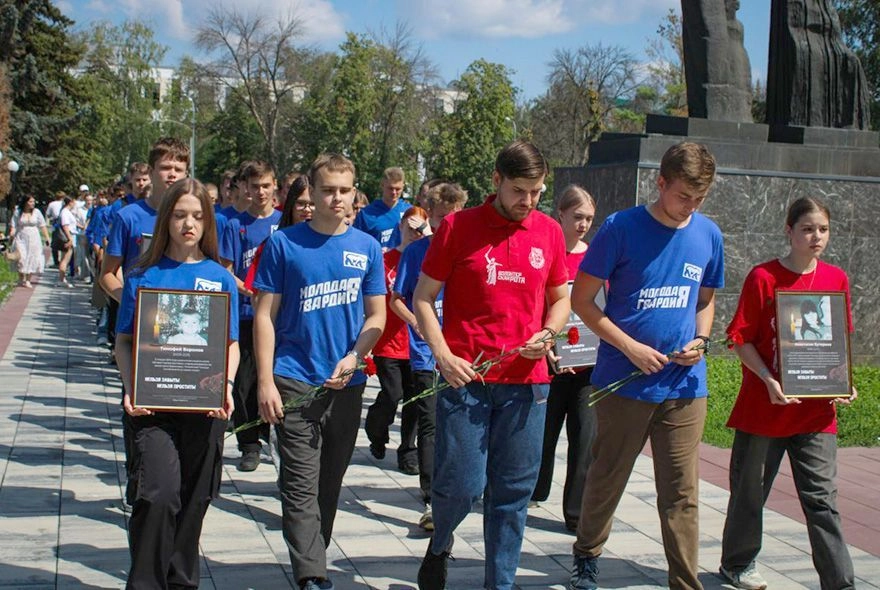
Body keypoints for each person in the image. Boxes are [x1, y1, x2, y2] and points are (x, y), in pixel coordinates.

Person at [413, 141, 570, 590]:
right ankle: (441, 541)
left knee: (512, 496)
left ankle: (499, 583)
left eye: (537, 192)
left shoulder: (549, 232)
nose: (529, 201)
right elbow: (423, 297)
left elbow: (560, 299)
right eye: (520, 190)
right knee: (462, 486)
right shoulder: (459, 227)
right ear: (497, 181)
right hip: (468, 381)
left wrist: (549, 332)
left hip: (527, 386)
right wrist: (442, 354)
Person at [568, 142, 724, 590]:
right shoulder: (620, 227)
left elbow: (706, 301)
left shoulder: (708, 234)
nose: (689, 208)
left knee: (682, 491)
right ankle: (587, 554)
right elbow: (582, 301)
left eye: (699, 199)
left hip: (684, 384)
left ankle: (684, 579)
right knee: (608, 475)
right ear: (660, 183)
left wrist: (702, 339)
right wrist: (630, 347)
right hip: (625, 381)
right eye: (682, 197)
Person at [253, 153, 386, 590]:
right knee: (299, 484)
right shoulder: (284, 244)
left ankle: (315, 556)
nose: (336, 198)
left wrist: (356, 355)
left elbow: (377, 318)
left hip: (347, 384)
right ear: (311, 190)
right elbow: (265, 316)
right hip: (294, 379)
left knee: (329, 483)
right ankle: (312, 575)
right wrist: (266, 381)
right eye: (327, 190)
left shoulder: (367, 247)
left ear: (354, 193)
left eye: (344, 191)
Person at [719, 196, 856, 590]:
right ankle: (738, 564)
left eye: (823, 230)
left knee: (823, 500)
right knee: (750, 492)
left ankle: (840, 581)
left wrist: (843, 382)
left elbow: (837, 342)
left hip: (815, 414)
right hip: (765, 408)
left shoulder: (836, 280)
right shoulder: (764, 278)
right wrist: (767, 378)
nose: (816, 237)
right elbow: (741, 338)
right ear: (789, 230)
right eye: (808, 229)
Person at [114, 178, 239, 590]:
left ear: (209, 223)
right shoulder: (141, 276)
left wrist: (227, 386)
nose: (189, 224)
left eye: (198, 216)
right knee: (157, 495)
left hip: (204, 408)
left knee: (194, 500)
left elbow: (231, 344)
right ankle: (146, 583)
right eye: (181, 215)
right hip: (151, 408)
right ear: (167, 218)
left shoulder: (219, 278)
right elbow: (125, 342)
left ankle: (182, 582)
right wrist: (132, 386)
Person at [392, 183, 467, 532]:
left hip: (462, 354)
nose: (448, 225)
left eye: (454, 218)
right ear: (429, 216)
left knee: (459, 428)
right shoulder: (416, 252)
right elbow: (397, 299)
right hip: (425, 355)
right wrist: (417, 323)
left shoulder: (469, 250)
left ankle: (458, 489)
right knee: (431, 426)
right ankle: (431, 501)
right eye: (440, 219)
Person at [530, 184, 597, 532]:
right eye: (578, 217)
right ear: (561, 214)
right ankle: (533, 489)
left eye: (589, 218)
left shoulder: (596, 257)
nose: (583, 224)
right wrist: (549, 345)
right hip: (550, 358)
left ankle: (575, 513)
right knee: (543, 432)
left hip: (588, 363)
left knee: (584, 438)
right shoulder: (547, 251)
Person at [220, 160, 283, 472]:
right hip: (246, 315)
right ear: (244, 188)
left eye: (266, 185)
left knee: (272, 378)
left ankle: (272, 435)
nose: (260, 192)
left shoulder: (284, 224)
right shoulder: (235, 225)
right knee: (245, 383)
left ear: (275, 186)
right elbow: (226, 270)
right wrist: (245, 288)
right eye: (254, 186)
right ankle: (248, 443)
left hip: (277, 317)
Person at [363, 206, 428, 476]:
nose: (415, 233)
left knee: (414, 399)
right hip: (388, 341)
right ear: (400, 226)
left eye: (420, 228)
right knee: (392, 394)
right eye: (411, 227)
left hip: (417, 343)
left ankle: (408, 451)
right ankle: (376, 429)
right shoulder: (385, 258)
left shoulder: (427, 257)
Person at [353, 167, 411, 250]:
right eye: (390, 188)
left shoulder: (409, 211)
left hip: (402, 261)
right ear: (382, 185)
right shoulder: (366, 214)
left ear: (403, 186)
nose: (394, 192)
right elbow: (356, 244)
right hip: (378, 261)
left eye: (398, 189)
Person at [8, 195, 50, 288]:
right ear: (25, 202)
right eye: (30, 202)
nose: (33, 204)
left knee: (32, 257)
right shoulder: (18, 212)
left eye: (33, 202)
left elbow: (42, 225)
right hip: (21, 236)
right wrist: (12, 233)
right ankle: (20, 278)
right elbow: (13, 225)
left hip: (34, 237)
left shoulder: (37, 212)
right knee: (21, 257)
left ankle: (28, 280)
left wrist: (47, 237)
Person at [56, 196, 77, 288]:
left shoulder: (66, 212)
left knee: (65, 258)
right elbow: (65, 226)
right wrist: (70, 238)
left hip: (71, 235)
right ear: (71, 202)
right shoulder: (65, 212)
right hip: (68, 236)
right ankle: (61, 279)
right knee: (65, 258)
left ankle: (62, 278)